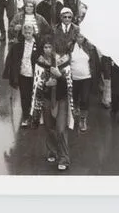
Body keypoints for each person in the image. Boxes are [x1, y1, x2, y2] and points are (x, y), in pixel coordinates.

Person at [32, 39, 73, 171]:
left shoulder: (64, 61)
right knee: (49, 127)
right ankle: (52, 150)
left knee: (60, 129)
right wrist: (45, 84)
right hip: (47, 99)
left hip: (61, 99)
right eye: (45, 47)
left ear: (55, 48)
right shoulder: (40, 62)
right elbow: (37, 82)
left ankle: (64, 158)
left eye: (50, 47)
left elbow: (69, 85)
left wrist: (59, 76)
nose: (48, 50)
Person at [3, 23, 40, 128]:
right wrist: (9, 73)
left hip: (34, 74)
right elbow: (11, 59)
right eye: (26, 33)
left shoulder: (38, 44)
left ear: (33, 32)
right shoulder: (18, 45)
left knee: (34, 95)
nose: (28, 35)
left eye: (30, 32)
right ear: (23, 33)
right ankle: (25, 116)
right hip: (23, 74)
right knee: (24, 96)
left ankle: (34, 115)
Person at [70, 33, 97, 132]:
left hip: (86, 78)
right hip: (74, 78)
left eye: (81, 37)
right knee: (74, 98)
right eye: (78, 37)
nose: (80, 39)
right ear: (75, 37)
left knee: (85, 99)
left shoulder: (89, 47)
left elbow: (94, 63)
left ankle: (83, 119)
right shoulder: (70, 47)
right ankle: (75, 111)